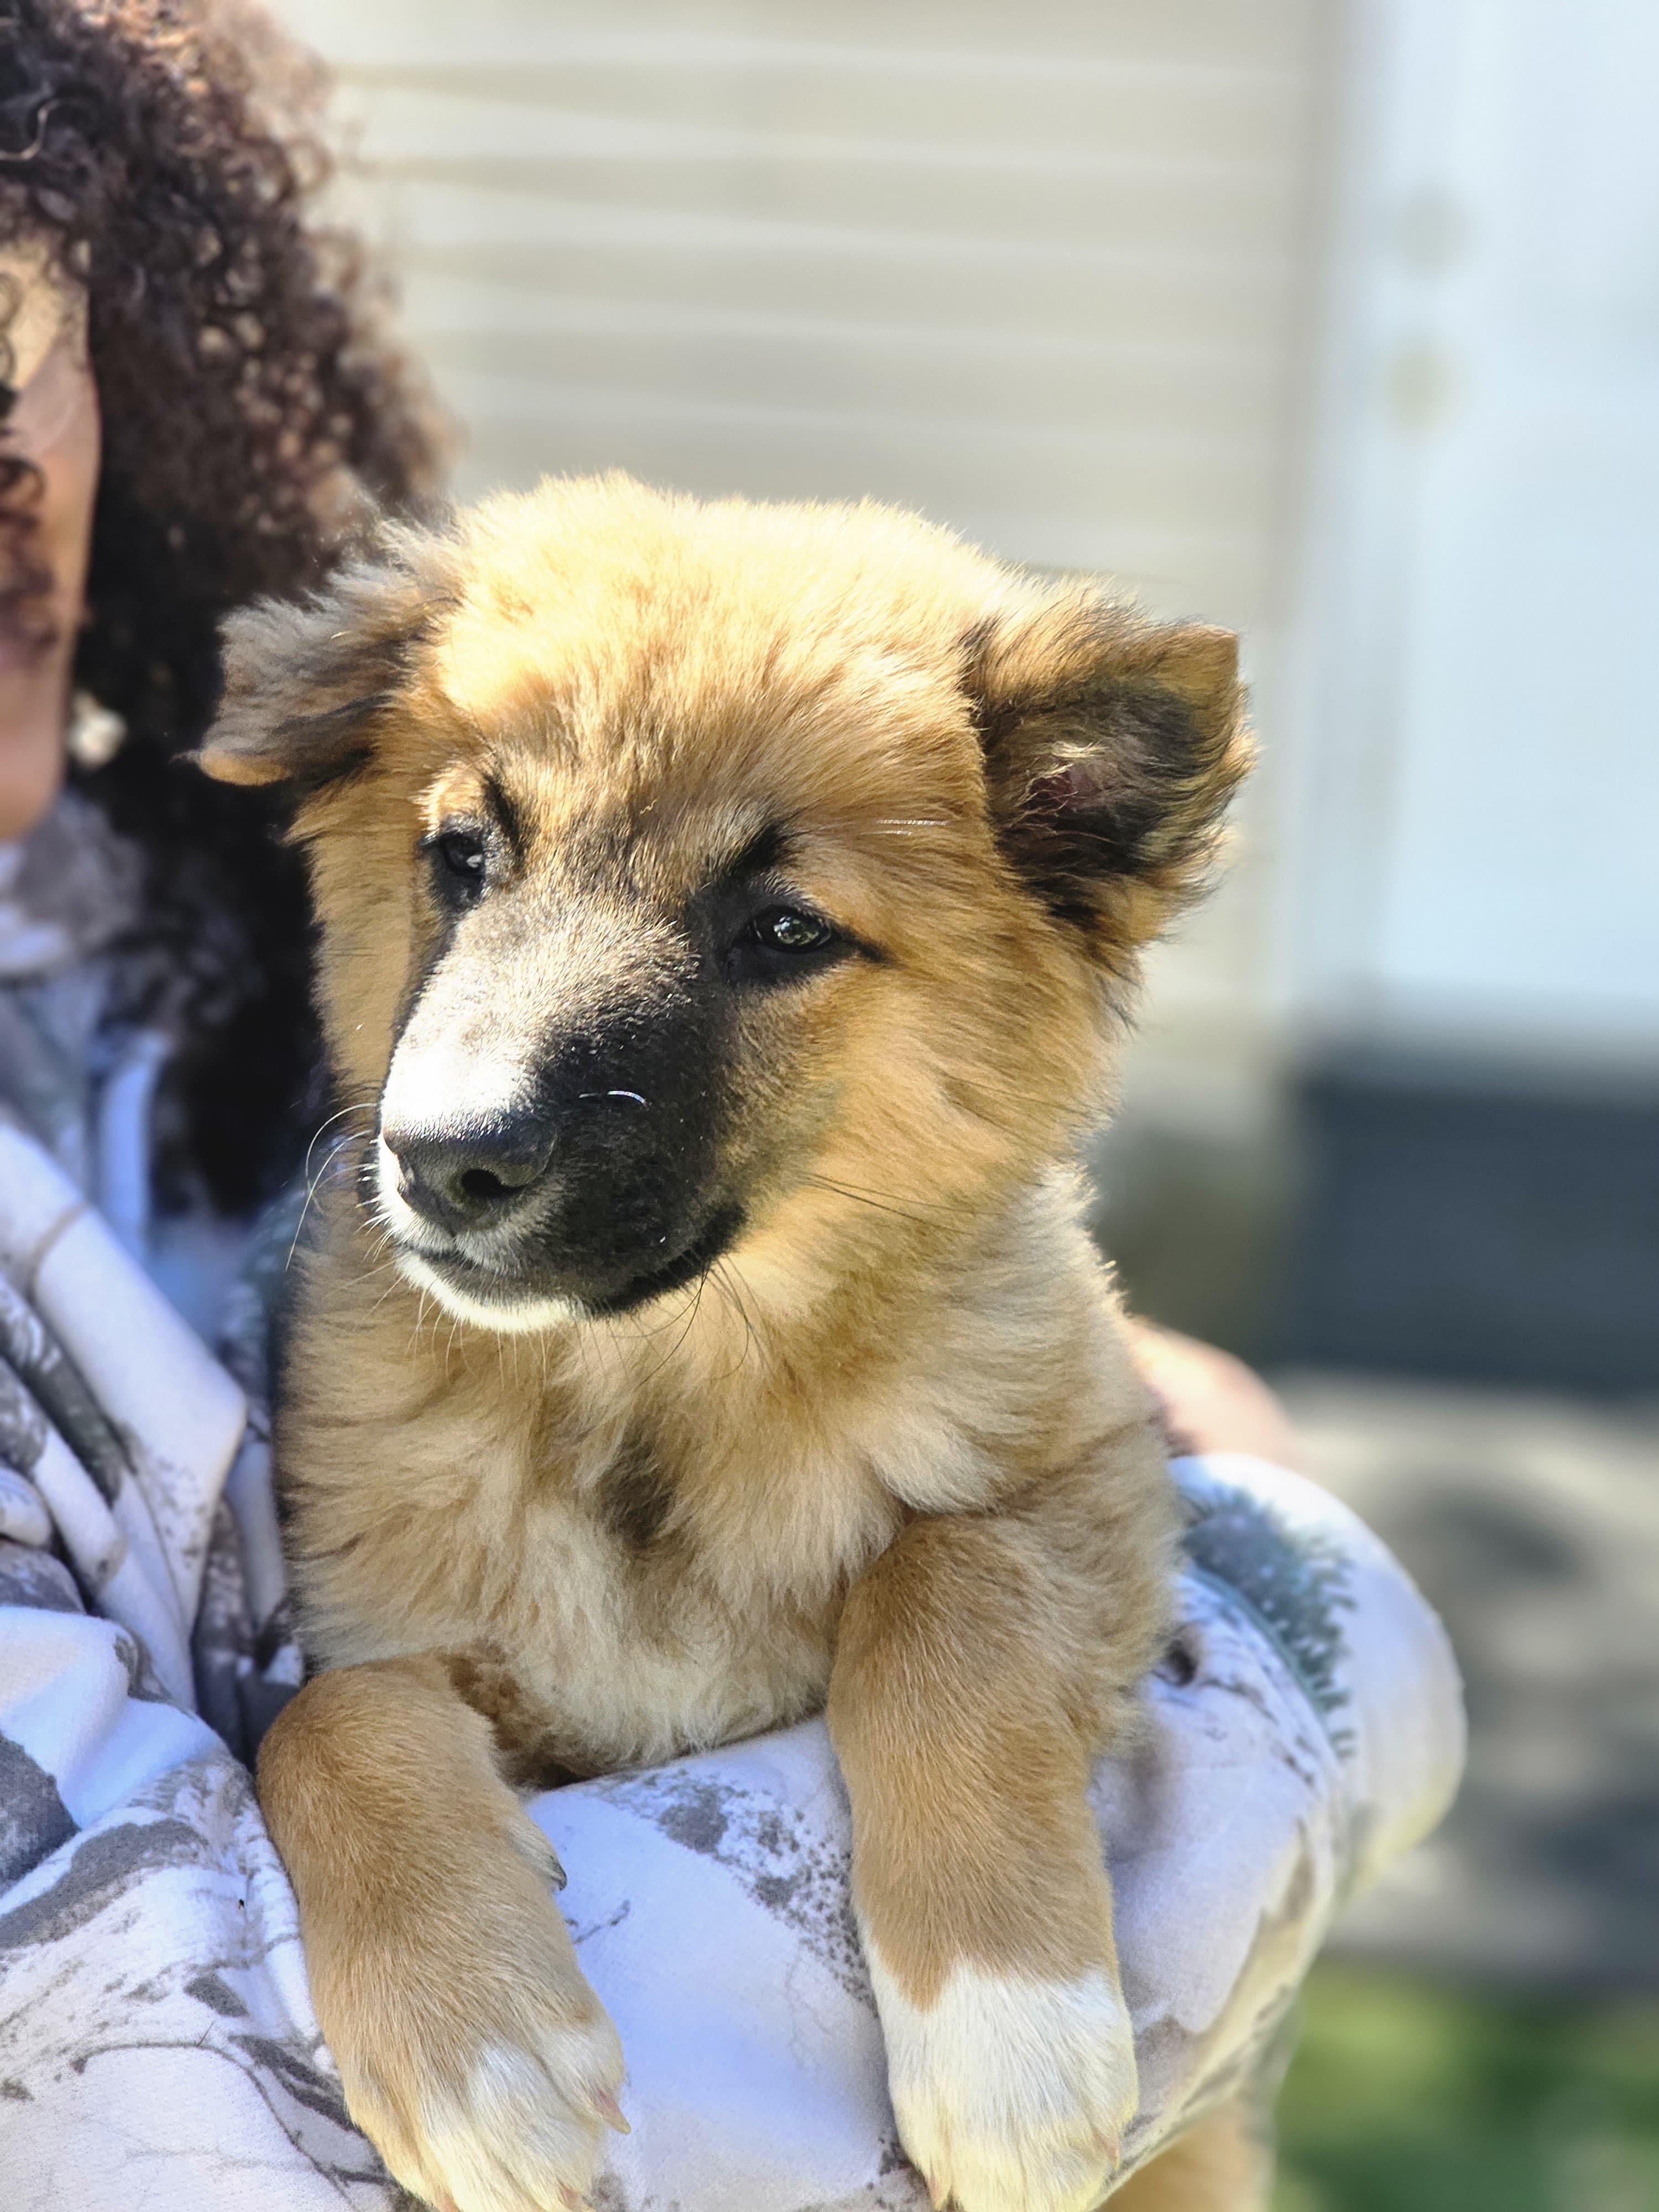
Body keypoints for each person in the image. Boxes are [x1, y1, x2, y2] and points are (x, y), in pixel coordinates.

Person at [0, 9, 1463, 2209]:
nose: (467, 1088)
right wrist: (1299, 1622)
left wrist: (976, 1669)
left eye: (780, 934)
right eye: (472, 861)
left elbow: (1073, 1483)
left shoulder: (122, 934)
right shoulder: (365, 1365)